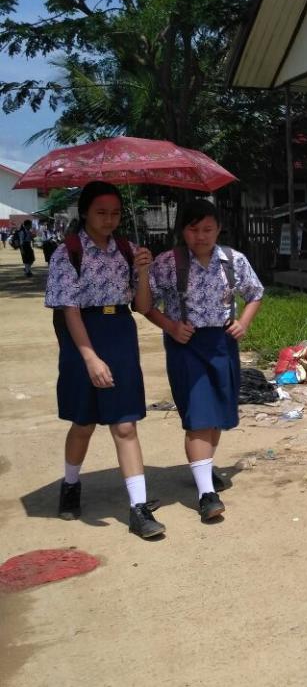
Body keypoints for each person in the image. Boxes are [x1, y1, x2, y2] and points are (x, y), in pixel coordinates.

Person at [44, 181, 165, 539]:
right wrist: (90, 358)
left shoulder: (127, 249)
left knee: (125, 423)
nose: (109, 219)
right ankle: (70, 484)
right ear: (84, 213)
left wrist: (143, 270)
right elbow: (70, 311)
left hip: (120, 332)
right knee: (83, 422)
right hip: (82, 335)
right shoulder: (68, 252)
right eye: (101, 212)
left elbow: (142, 306)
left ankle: (138, 508)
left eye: (115, 213)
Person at [146, 199, 264, 522]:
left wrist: (244, 323)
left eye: (208, 229)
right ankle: (205, 494)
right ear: (182, 230)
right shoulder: (168, 263)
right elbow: (144, 303)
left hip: (223, 343)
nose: (201, 236)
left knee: (218, 414)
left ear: (219, 230)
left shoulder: (232, 260)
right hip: (186, 346)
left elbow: (255, 293)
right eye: (193, 229)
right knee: (199, 415)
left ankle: (204, 470)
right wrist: (170, 326)